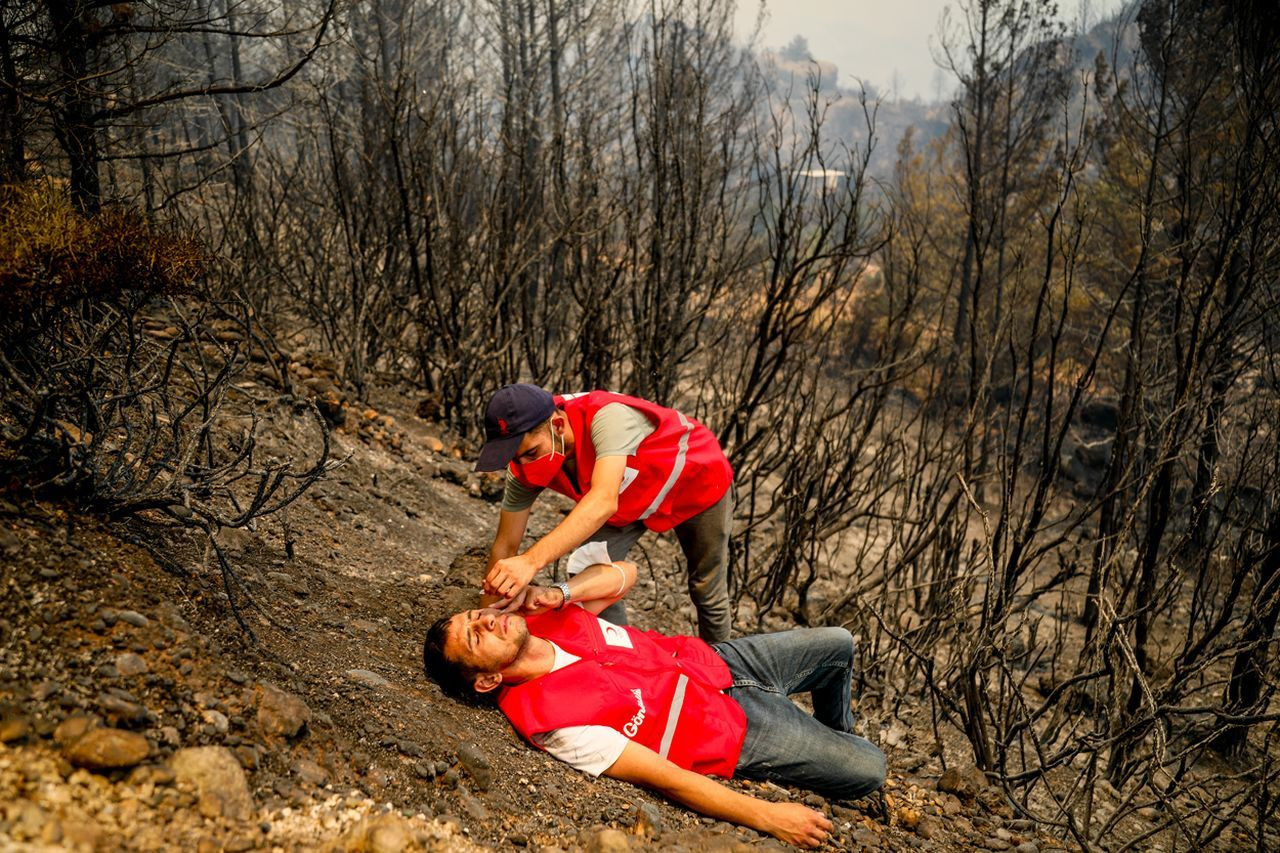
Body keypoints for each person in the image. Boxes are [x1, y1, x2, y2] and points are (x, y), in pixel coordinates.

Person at [421, 558, 886, 849]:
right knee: (870, 769)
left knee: (839, 643)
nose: (487, 622)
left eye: (477, 615)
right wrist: (768, 816)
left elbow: (625, 574)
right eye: (476, 637)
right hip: (737, 731)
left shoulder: (542, 616)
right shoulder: (552, 722)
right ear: (487, 681)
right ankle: (823, 741)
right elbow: (669, 780)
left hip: (719, 663)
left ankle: (833, 730)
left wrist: (561, 592)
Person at [474, 383, 734, 641]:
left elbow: (602, 501)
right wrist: (487, 615)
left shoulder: (608, 417)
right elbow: (505, 546)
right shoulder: (524, 465)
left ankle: (727, 671)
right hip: (629, 494)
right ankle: (619, 651)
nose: (524, 465)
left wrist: (530, 561)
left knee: (705, 589)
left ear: (557, 426)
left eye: (531, 452)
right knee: (587, 566)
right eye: (515, 458)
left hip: (697, 482)